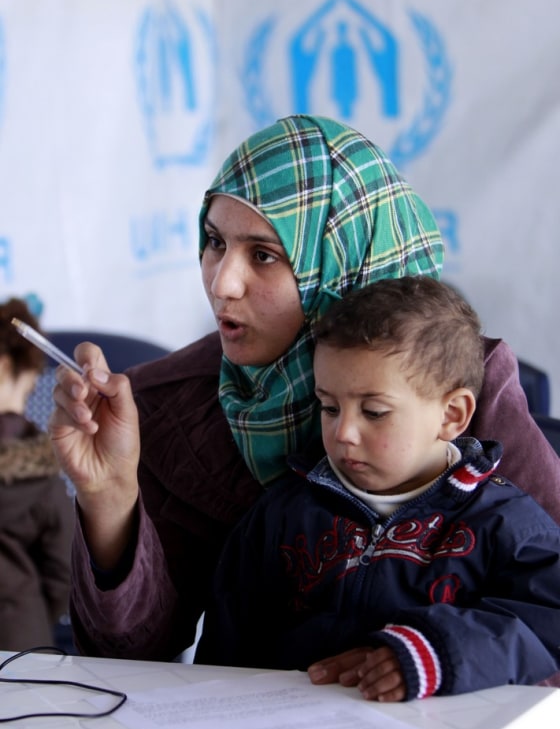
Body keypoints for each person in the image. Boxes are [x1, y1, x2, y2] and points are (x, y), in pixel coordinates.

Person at [48, 115, 560, 668]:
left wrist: (430, 657)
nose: (222, 283)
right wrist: (110, 498)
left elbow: (548, 610)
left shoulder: (455, 380)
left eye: (264, 255)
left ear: (341, 263)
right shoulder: (172, 406)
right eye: (215, 242)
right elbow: (129, 659)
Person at [195, 276, 560, 700]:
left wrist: (435, 653)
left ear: (452, 415)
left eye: (374, 411)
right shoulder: (282, 515)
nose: (344, 432)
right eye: (329, 407)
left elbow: (549, 621)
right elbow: (225, 654)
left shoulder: (506, 522)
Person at [0, 298, 74, 651]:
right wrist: (33, 616)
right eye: (28, 391)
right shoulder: (42, 475)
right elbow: (63, 568)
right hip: (20, 638)